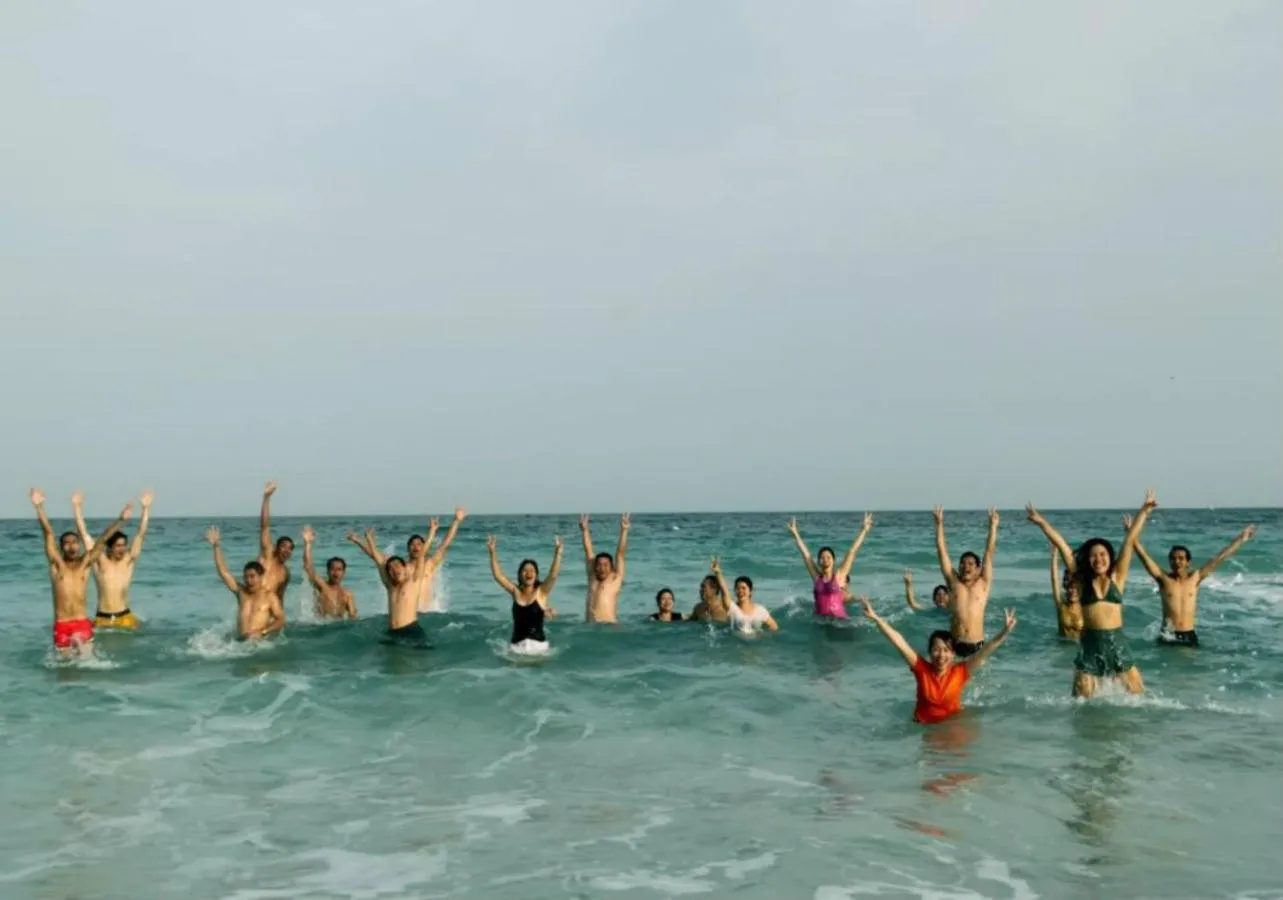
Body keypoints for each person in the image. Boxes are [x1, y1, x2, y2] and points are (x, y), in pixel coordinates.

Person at [1026, 490, 1156, 697]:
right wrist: (1041, 522)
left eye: (1103, 554)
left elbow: (1130, 541)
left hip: (1117, 643)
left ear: (1110, 557)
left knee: (1138, 697)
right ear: (1087, 560)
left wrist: (1144, 511)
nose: (1098, 559)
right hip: (1089, 644)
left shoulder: (1118, 577)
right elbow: (1063, 547)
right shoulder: (1082, 582)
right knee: (1080, 701)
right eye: (1093, 556)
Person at [859, 595, 1017, 724]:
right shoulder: (922, 669)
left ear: (953, 654)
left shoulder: (960, 672)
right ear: (929, 652)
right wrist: (876, 618)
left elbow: (985, 651)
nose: (941, 655)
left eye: (946, 650)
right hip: (923, 726)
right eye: (936, 650)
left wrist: (1004, 632)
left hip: (952, 726)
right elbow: (899, 641)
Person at [32, 489, 132, 656]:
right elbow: (48, 533)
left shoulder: (85, 564)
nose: (72, 546)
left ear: (79, 545)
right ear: (61, 547)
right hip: (62, 625)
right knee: (66, 671)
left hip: (82, 623)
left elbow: (102, 540)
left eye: (75, 542)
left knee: (89, 664)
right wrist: (39, 507)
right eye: (67, 543)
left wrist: (120, 520)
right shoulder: (57, 566)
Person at [1128, 518, 1256, 647]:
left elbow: (1219, 558)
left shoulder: (1195, 578)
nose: (1176, 562)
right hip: (1168, 635)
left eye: (1181, 558)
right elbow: (1144, 556)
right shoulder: (1163, 579)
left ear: (1188, 562)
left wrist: (1241, 539)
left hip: (1189, 635)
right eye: (1173, 559)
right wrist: (1131, 533)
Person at [72, 489, 152, 630]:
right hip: (103, 618)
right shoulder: (99, 560)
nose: (122, 549)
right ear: (109, 547)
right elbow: (84, 534)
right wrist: (77, 508)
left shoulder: (128, 561)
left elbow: (141, 534)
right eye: (118, 546)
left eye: (124, 545)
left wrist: (145, 509)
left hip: (125, 617)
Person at [931, 506, 1000, 658]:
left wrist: (993, 526)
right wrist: (939, 525)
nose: (965, 566)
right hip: (954, 646)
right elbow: (942, 552)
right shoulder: (954, 583)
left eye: (970, 564)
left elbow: (989, 552)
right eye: (962, 563)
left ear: (978, 569)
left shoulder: (983, 583)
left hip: (977, 647)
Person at [348, 528, 430, 645]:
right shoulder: (390, 587)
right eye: (390, 568)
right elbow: (377, 558)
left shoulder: (413, 582)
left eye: (397, 566)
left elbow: (422, 555)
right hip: (392, 633)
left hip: (411, 630)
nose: (394, 569)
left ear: (404, 568)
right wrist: (369, 539)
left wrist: (432, 531)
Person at [786, 514, 874, 619]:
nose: (825, 559)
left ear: (833, 560)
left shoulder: (839, 577)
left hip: (840, 622)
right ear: (819, 561)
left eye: (828, 557)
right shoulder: (816, 578)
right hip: (820, 622)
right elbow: (806, 556)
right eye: (822, 557)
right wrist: (795, 533)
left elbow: (851, 552)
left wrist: (864, 530)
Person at [205, 526, 284, 641]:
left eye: (252, 576)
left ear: (261, 576)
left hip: (259, 643)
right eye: (246, 577)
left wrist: (262, 632)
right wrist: (216, 546)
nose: (248, 580)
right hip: (239, 643)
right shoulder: (241, 592)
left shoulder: (270, 597)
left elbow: (280, 620)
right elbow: (224, 572)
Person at [487, 535, 562, 652]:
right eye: (525, 570)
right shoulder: (515, 592)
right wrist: (492, 552)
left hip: (539, 648)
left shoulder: (541, 592)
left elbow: (553, 575)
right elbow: (498, 576)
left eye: (532, 570)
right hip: (516, 648)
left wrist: (558, 553)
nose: (529, 573)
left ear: (536, 575)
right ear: (520, 575)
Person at [580, 513, 630, 623]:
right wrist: (584, 530)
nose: (602, 568)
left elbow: (620, 554)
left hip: (609, 627)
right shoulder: (592, 577)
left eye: (606, 565)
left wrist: (624, 530)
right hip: (590, 628)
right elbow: (588, 552)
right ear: (595, 566)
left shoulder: (615, 579)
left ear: (612, 568)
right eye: (599, 564)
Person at [300, 526, 357, 620]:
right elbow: (308, 567)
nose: (336, 573)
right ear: (327, 571)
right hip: (321, 628)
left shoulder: (347, 594)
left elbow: (353, 617)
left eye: (339, 569)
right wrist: (308, 544)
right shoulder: (322, 586)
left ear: (344, 572)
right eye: (332, 569)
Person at [710, 558, 779, 635]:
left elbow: (774, 626)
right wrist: (718, 573)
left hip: (756, 645)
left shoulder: (760, 610)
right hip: (737, 645)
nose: (740, 591)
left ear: (750, 591)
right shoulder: (732, 609)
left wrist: (763, 636)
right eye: (737, 588)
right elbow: (724, 590)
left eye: (743, 588)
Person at [257, 482, 294, 605]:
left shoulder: (285, 573)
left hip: (267, 610)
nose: (286, 550)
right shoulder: (267, 554)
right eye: (283, 546)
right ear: (276, 548)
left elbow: (280, 597)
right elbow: (265, 526)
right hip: (253, 603)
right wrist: (266, 498)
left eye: (290, 549)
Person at [1050, 547, 1083, 641]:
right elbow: (1054, 580)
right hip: (1061, 647)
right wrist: (1054, 557)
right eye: (1070, 588)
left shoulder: (1085, 607)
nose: (1073, 591)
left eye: (1076, 589)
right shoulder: (1061, 605)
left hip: (1079, 647)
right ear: (1066, 588)